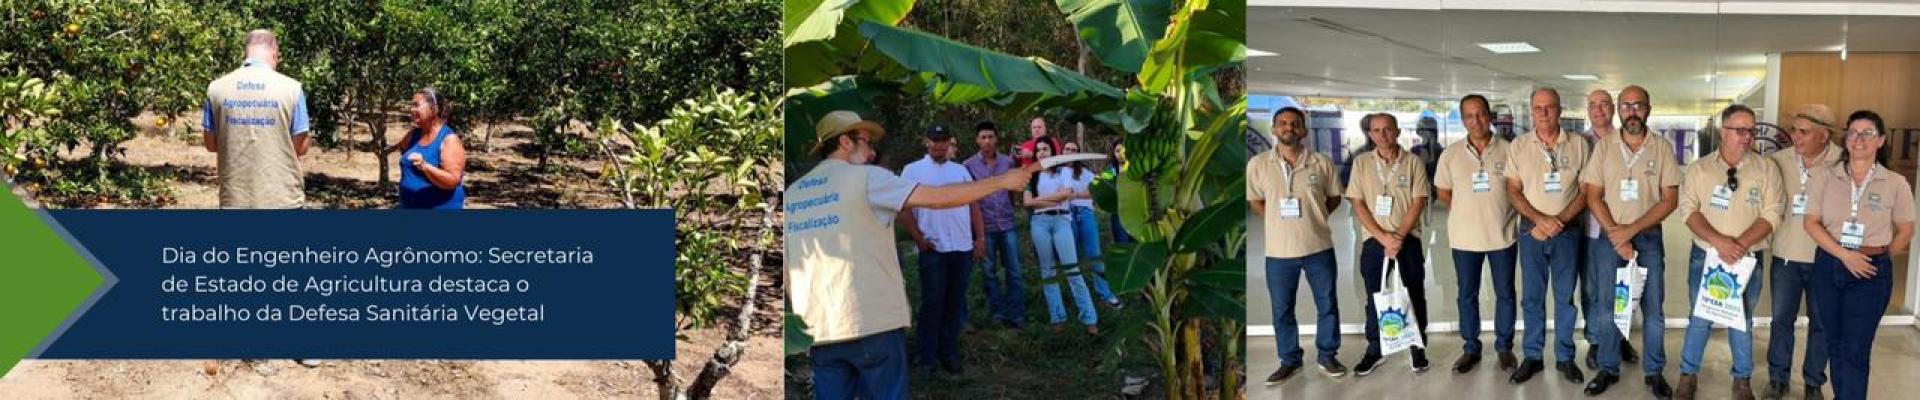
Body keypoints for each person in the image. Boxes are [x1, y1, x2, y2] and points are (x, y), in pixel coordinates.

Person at [785, 110, 1039, 399]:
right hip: (872, 324)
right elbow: (938, 199)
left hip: (819, 331)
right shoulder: (867, 178)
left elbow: (786, 268)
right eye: (866, 142)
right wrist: (1001, 181)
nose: (871, 152)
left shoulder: (794, 194)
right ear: (845, 142)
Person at [1675, 104, 1784, 400]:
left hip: (1748, 259)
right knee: (1700, 316)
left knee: (1742, 318)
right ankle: (1687, 375)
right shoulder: (1700, 169)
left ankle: (1742, 380)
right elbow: (1688, 211)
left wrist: (1741, 245)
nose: (1747, 136)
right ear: (1724, 131)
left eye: (1751, 130)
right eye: (1740, 130)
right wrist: (1720, 242)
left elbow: (1773, 213)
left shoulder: (1766, 168)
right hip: (1707, 257)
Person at [1577, 85, 1680, 396]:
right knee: (1607, 307)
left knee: (1653, 309)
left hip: (1648, 238)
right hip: (1610, 239)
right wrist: (1615, 233)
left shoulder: (1661, 148)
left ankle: (1654, 371)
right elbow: (1592, 196)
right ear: (1619, 110)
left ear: (1648, 109)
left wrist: (1630, 230)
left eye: (1638, 106)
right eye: (1626, 106)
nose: (1632, 111)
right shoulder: (1604, 147)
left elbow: (1670, 200)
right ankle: (1608, 368)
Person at [1804, 110, 1913, 400]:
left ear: (1881, 141)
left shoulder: (1895, 183)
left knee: (1855, 349)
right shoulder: (1825, 177)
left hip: (1870, 272)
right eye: (1853, 132)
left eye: (1867, 133)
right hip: (1829, 265)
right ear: (1846, 139)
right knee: (1835, 343)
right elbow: (1810, 222)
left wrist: (1877, 256)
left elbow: (1905, 230)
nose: (1859, 139)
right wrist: (1844, 255)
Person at [1250, 107, 1348, 384]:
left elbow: (1334, 198)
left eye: (1294, 124)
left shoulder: (1321, 163)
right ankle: (1289, 360)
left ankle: (1327, 354)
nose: (1288, 128)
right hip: (1279, 253)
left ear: (1303, 130)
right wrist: (1277, 221)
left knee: (1327, 304)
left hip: (1318, 247)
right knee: (1282, 309)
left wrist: (1315, 217)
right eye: (1283, 123)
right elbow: (1256, 201)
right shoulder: (1258, 165)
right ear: (1274, 128)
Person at [1505, 87, 1592, 385]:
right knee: (1532, 298)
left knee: (1565, 299)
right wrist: (1540, 220)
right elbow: (1512, 191)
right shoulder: (1518, 146)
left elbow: (1586, 192)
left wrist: (1559, 221)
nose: (1544, 113)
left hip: (1568, 234)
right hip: (1532, 233)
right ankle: (1533, 356)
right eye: (1538, 108)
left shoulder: (1579, 144)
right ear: (1531, 111)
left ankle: (1565, 357)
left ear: (1560, 110)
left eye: (1550, 107)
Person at [1435, 94, 1518, 375]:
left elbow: (1518, 190)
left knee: (1505, 294)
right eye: (1469, 115)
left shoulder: (1509, 150)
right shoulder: (1451, 154)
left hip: (1502, 236)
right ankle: (1471, 348)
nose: (1476, 120)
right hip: (1464, 238)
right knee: (1466, 295)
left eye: (1481, 113)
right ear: (1462, 119)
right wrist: (1467, 210)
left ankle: (1504, 348)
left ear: (1489, 115)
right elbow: (1443, 192)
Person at [1347, 113, 1433, 375]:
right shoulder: (1361, 163)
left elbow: (1419, 200)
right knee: (1375, 296)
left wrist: (1398, 237)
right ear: (1370, 134)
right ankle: (1375, 349)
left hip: (1408, 240)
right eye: (1376, 130)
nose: (1382, 135)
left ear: (1396, 131)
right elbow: (1357, 203)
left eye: (1387, 129)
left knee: (1414, 293)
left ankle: (1417, 348)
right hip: (1374, 242)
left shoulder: (1413, 162)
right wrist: (1383, 237)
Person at [1765, 104, 1841, 399]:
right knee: (1781, 320)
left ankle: (1813, 382)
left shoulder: (1842, 161)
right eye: (1794, 130)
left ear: (1824, 135)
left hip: (1826, 258)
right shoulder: (1778, 161)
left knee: (1820, 324)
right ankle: (1777, 379)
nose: (1795, 136)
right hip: (1786, 256)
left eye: (1803, 132)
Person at [897, 124, 985, 375]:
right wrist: (918, 238)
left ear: (949, 142)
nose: (939, 145)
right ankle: (926, 357)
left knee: (954, 303)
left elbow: (973, 205)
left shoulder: (961, 171)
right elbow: (904, 208)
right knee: (932, 303)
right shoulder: (912, 171)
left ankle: (948, 353)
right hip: (933, 248)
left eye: (943, 140)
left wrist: (980, 239)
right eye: (934, 140)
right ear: (926, 141)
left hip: (961, 246)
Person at [202, 29, 311, 209]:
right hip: (283, 200)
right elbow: (300, 147)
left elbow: (211, 144)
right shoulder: (292, 89)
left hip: (235, 199)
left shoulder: (216, 89)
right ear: (274, 52)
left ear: (246, 53)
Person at [1581, 89, 1636, 370]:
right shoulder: (1579, 144)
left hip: (1624, 231)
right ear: (1588, 110)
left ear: (1613, 109)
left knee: (1624, 289)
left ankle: (1620, 338)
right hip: (1591, 231)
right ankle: (1596, 340)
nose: (1599, 110)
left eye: (1604, 105)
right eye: (1593, 105)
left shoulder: (1627, 140)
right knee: (1593, 290)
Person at [1025, 139, 1099, 335]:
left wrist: (1037, 200)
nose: (1041, 153)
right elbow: (1027, 203)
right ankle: (1058, 316)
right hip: (1039, 224)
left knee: (1072, 269)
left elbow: (1065, 194)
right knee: (1047, 271)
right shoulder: (1030, 175)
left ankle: (1089, 318)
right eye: (1038, 150)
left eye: (1045, 149)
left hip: (1061, 222)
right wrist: (1050, 200)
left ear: (1053, 152)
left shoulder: (1064, 172)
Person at [963, 121, 1027, 329]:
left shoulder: (1008, 163)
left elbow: (1014, 190)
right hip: (986, 227)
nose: (987, 141)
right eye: (983, 137)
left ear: (996, 138)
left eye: (991, 136)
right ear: (977, 140)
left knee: (1014, 270)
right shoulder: (968, 166)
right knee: (989, 273)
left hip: (1007, 224)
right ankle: (998, 312)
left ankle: (1017, 313)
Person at [1063, 140, 1121, 308]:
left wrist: (1074, 195)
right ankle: (1078, 296)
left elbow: (1093, 191)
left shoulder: (1086, 173)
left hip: (1085, 214)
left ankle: (1106, 293)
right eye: (1067, 149)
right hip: (1066, 216)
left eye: (1074, 150)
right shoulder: (1056, 172)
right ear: (1061, 151)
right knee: (1070, 257)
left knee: (1094, 255)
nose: (1070, 152)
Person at [396, 87, 467, 209]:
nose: (411, 110)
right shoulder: (413, 135)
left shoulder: (449, 139)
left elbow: (453, 180)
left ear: (433, 109)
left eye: (416, 105)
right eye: (411, 105)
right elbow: (402, 150)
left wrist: (425, 166)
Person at [1107, 140, 1134, 244]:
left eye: (1123, 151)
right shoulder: (1111, 170)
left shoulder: (1136, 169)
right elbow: (1099, 183)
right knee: (1122, 243)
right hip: (1118, 213)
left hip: (1137, 211)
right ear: (1114, 154)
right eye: (1117, 151)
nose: (1120, 154)